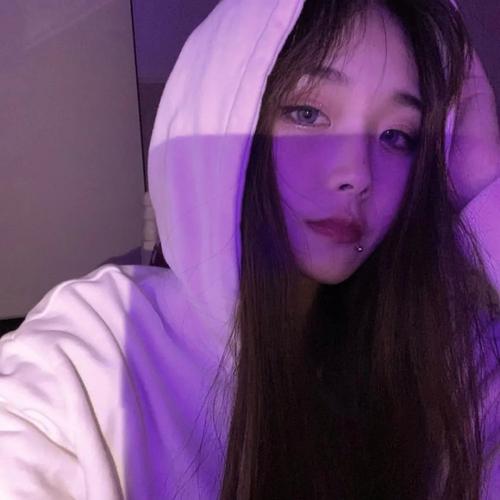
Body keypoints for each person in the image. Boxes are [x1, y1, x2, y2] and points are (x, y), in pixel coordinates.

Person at [1, 0, 499, 498]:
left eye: (396, 136)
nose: (358, 174)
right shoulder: (96, 358)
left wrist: (484, 183)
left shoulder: (440, 357)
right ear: (225, 114)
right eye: (308, 113)